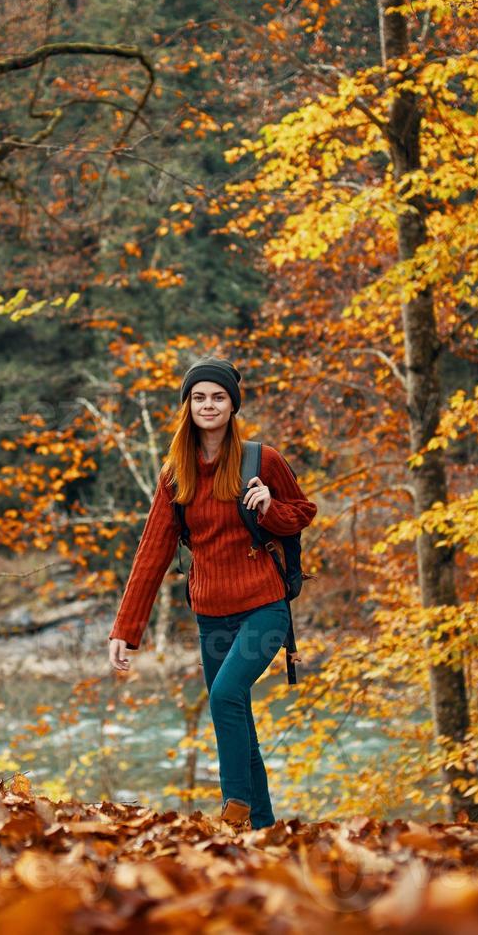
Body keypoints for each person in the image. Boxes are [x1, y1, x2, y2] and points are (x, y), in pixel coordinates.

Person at [107, 356, 317, 831]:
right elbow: (152, 554)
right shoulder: (175, 474)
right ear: (187, 405)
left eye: (218, 397)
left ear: (232, 405)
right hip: (211, 614)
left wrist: (269, 508)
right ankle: (263, 831)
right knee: (238, 718)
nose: (208, 405)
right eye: (199, 397)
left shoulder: (262, 459)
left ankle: (234, 811)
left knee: (224, 695)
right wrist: (126, 629)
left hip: (265, 607)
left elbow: (302, 511)